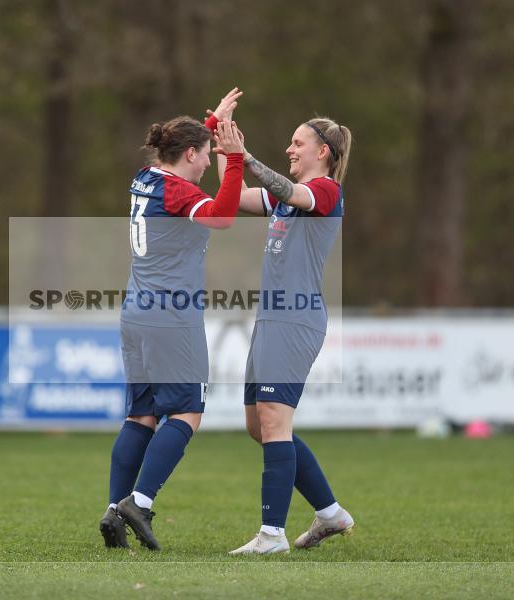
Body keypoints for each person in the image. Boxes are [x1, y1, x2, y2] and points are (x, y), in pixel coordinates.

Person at [99, 89, 246, 551]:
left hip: (136, 311)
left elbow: (182, 156)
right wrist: (236, 159)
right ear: (188, 154)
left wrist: (211, 123)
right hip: (171, 315)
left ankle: (113, 509)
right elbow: (222, 218)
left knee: (141, 414)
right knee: (187, 411)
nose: (208, 162)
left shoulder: (145, 177)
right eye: (205, 155)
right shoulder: (181, 191)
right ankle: (137, 503)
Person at [207, 109, 355, 554]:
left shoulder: (325, 190)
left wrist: (245, 155)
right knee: (261, 424)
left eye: (297, 143)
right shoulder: (286, 199)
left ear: (322, 152)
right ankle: (330, 514)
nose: (290, 149)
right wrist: (223, 143)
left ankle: (272, 535)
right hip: (272, 317)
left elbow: (291, 190)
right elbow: (231, 198)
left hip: (295, 318)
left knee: (273, 421)